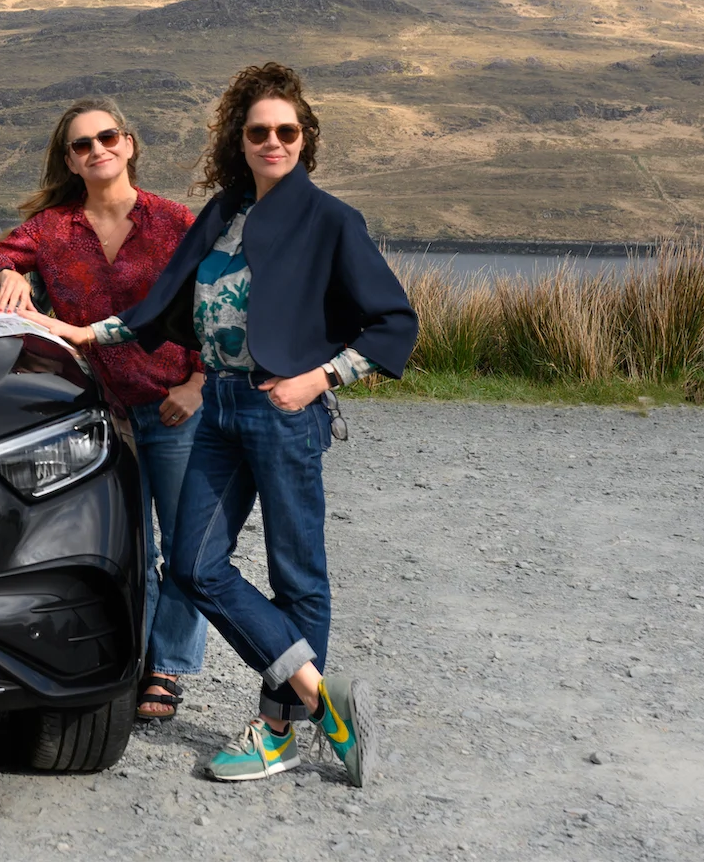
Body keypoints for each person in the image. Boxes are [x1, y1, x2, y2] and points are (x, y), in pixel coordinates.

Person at [22, 63, 417, 787]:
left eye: (286, 131)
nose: (273, 142)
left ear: (305, 139)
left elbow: (395, 324)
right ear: (239, 140)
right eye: (258, 131)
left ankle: (278, 732)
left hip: (282, 409)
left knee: (297, 573)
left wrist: (319, 379)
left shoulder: (330, 220)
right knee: (195, 565)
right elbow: (162, 307)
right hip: (218, 408)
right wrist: (85, 334)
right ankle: (320, 698)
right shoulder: (223, 213)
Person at [0, 99, 210, 722]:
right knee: (128, 545)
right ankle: (136, 659)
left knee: (186, 548)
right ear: (70, 161)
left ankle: (168, 667)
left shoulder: (175, 222)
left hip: (174, 407)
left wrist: (199, 383)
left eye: (107, 137)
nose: (97, 149)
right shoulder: (52, 229)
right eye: (82, 144)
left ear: (129, 144)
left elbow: (217, 305)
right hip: (98, 416)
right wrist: (6, 278)